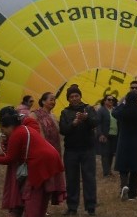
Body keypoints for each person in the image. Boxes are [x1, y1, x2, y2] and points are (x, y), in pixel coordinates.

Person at [0, 106, 63, 217]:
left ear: (9, 126)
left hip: (38, 165)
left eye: (3, 129)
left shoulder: (16, 134)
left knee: (32, 196)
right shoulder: (24, 128)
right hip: (50, 160)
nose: (3, 132)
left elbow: (10, 158)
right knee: (41, 196)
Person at [58, 85, 98, 216]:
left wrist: (86, 119)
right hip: (71, 151)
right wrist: (73, 124)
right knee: (71, 180)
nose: (74, 98)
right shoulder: (65, 112)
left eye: (76, 96)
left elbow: (96, 122)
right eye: (71, 97)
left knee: (89, 179)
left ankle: (91, 207)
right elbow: (63, 130)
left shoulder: (89, 108)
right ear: (68, 99)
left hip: (88, 150)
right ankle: (72, 207)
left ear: (80, 96)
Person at [112, 90, 137, 201]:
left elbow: (114, 113)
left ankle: (124, 185)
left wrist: (122, 104)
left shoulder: (123, 110)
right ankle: (133, 194)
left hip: (124, 140)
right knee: (135, 168)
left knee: (123, 166)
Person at [29, 92, 66, 201]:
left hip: (54, 152)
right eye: (51, 99)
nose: (53, 102)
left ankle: (44, 206)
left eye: (54, 100)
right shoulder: (34, 114)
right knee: (42, 180)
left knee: (51, 179)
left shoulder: (53, 116)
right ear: (43, 101)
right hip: (41, 152)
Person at [95, 94, 118, 177]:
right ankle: (106, 172)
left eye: (112, 100)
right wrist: (100, 134)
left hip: (114, 134)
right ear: (104, 101)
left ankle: (109, 170)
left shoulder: (115, 110)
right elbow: (98, 123)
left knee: (111, 153)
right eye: (109, 99)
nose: (111, 101)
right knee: (105, 154)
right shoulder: (101, 110)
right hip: (105, 134)